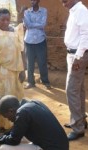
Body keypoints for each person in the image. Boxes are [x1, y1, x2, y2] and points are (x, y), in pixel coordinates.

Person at [0, 95, 69, 150]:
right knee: (20, 137)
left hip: (51, 148)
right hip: (61, 145)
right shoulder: (32, 103)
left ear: (11, 111)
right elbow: (16, 132)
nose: (8, 120)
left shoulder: (22, 113)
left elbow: (14, 140)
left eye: (6, 117)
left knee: (4, 148)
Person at [61, 0, 88, 141]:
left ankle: (78, 128)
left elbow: (86, 35)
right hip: (72, 54)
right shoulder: (74, 11)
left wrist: (78, 58)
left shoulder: (81, 11)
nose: (63, 3)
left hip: (78, 56)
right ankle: (81, 120)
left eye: (65, 1)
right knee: (79, 89)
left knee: (71, 90)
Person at [23, 0, 50, 89]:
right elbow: (27, 25)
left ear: (38, 1)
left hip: (40, 40)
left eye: (34, 0)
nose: (32, 1)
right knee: (29, 62)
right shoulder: (26, 12)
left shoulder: (44, 10)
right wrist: (34, 25)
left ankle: (45, 81)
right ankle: (31, 82)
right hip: (29, 41)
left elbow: (43, 24)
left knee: (42, 62)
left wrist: (31, 25)